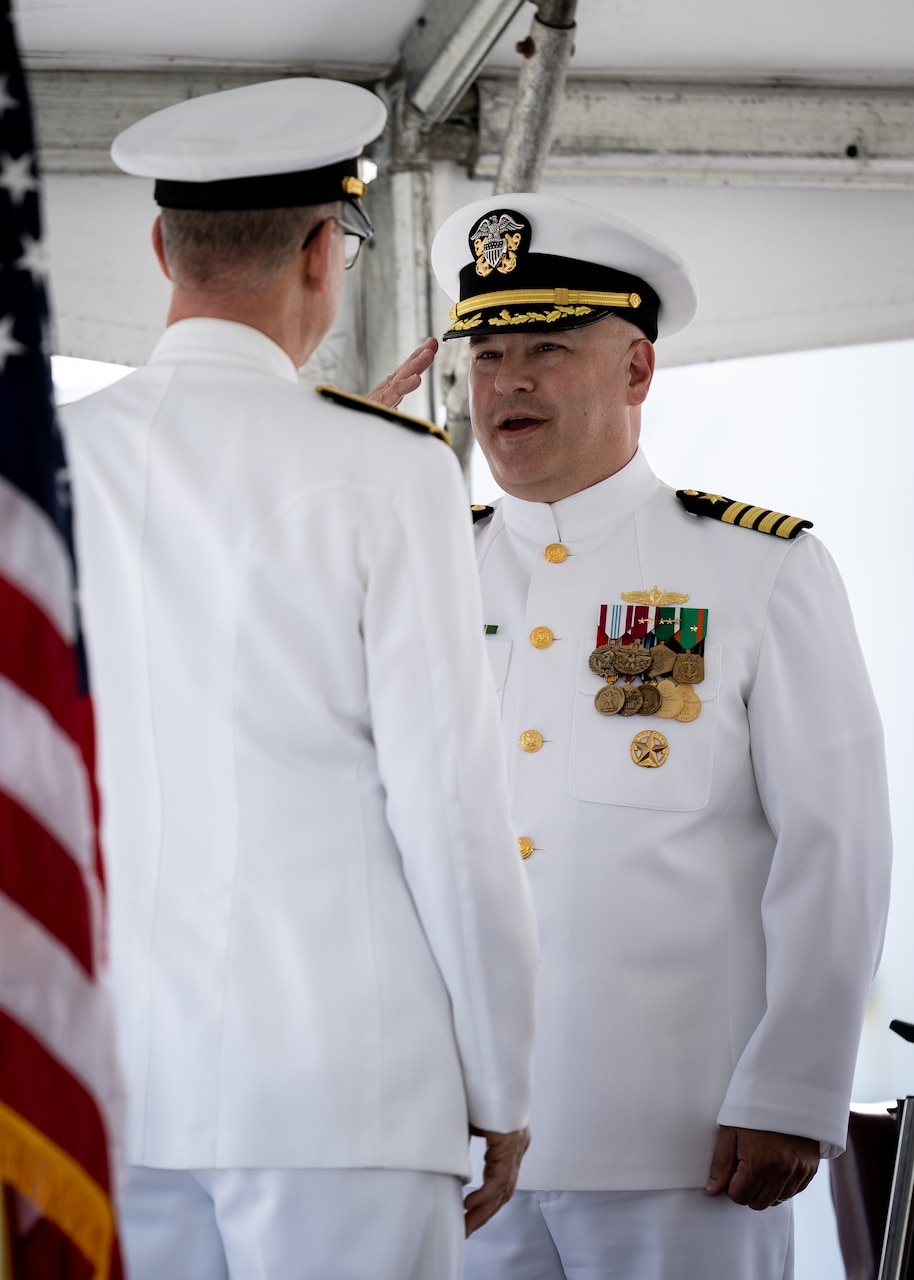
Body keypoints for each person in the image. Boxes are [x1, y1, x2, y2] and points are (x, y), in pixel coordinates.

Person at [60, 80, 538, 1280]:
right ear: (327, 251)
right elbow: (449, 808)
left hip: (104, 1082)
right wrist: (502, 1076)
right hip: (346, 1088)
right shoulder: (390, 471)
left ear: (162, 245)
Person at [429, 192, 892, 1280]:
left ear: (636, 370)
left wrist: (793, 1085)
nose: (510, 383)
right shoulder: (424, 571)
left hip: (680, 1142)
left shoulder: (756, 566)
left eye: (548, 346)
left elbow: (836, 842)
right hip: (456, 1144)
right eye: (488, 355)